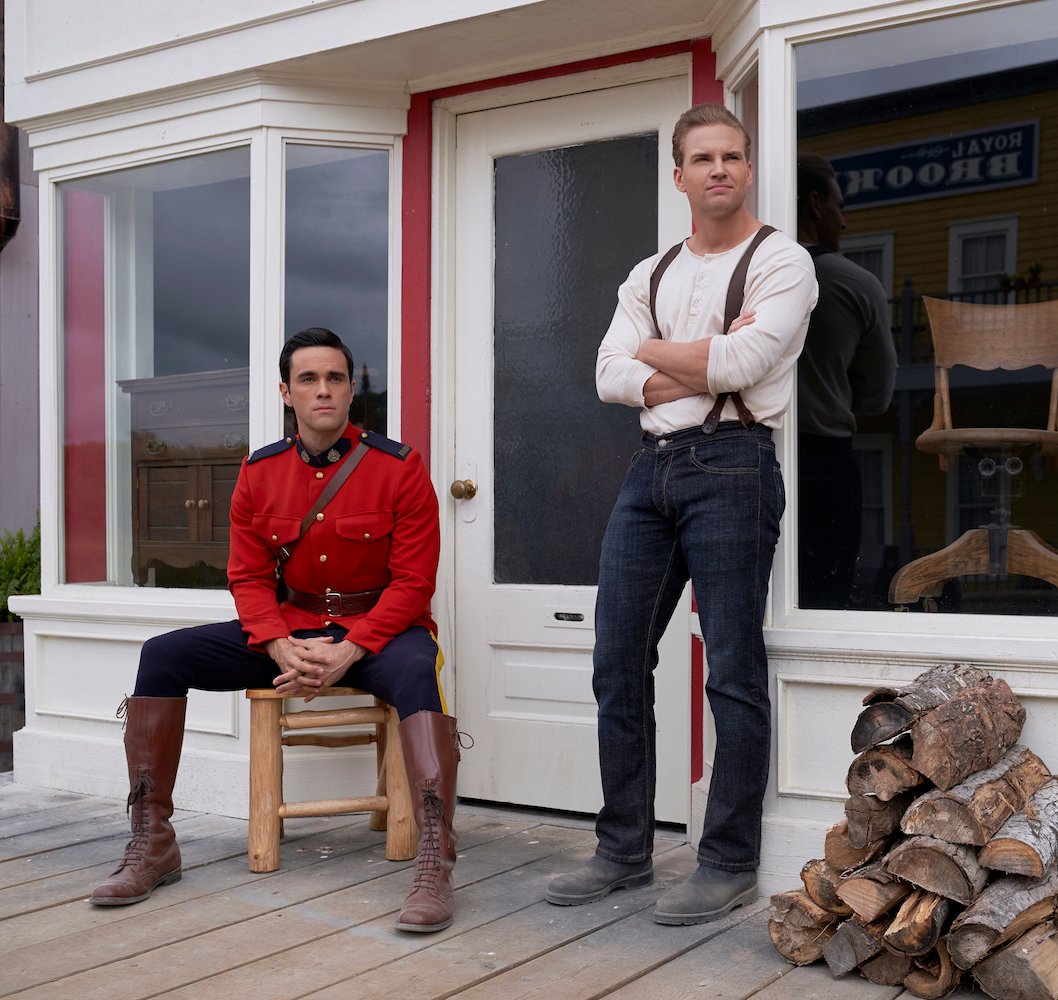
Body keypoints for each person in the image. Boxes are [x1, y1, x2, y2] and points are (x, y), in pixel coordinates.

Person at [89, 327, 461, 934]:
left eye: (335, 378)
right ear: (286, 392)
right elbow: (248, 577)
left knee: (421, 672)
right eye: (309, 380)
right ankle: (152, 841)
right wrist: (275, 641)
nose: (323, 391)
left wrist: (352, 648)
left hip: (380, 633)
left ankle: (434, 858)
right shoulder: (259, 472)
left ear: (350, 391)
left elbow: (414, 583)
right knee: (162, 656)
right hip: (289, 630)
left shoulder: (399, 467)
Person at [545, 104, 817, 925]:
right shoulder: (650, 272)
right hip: (651, 471)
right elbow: (604, 375)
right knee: (615, 659)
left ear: (747, 167)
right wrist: (700, 359)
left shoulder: (784, 261)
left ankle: (727, 860)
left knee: (731, 669)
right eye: (703, 158)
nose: (720, 170)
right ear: (680, 176)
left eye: (733, 155)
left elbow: (743, 362)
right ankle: (622, 850)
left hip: (734, 464)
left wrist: (655, 354)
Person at [794, 154, 897, 609]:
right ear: (815, 205)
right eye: (839, 206)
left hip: (745, 451)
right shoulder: (853, 283)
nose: (846, 221)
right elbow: (877, 395)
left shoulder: (745, 277)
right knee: (822, 598)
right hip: (823, 460)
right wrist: (831, 390)